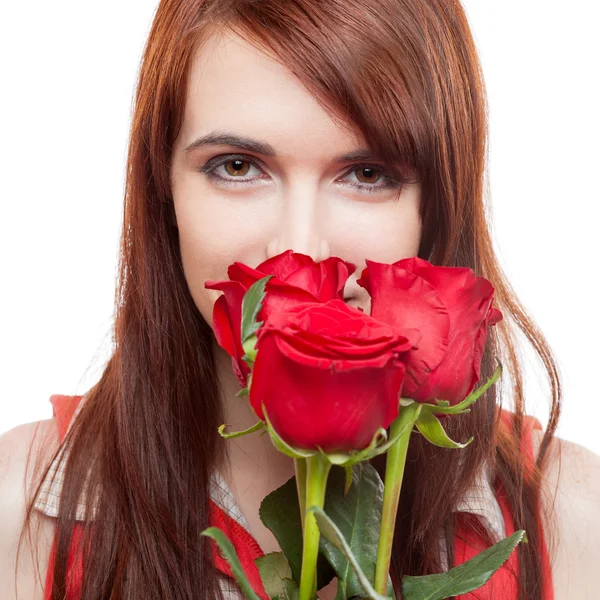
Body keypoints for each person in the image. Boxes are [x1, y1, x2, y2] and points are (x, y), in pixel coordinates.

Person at [1, 1, 599, 599]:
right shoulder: (18, 510)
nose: (300, 250)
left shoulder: (571, 518)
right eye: (237, 166)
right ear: (163, 189)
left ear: (436, 206)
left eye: (366, 175)